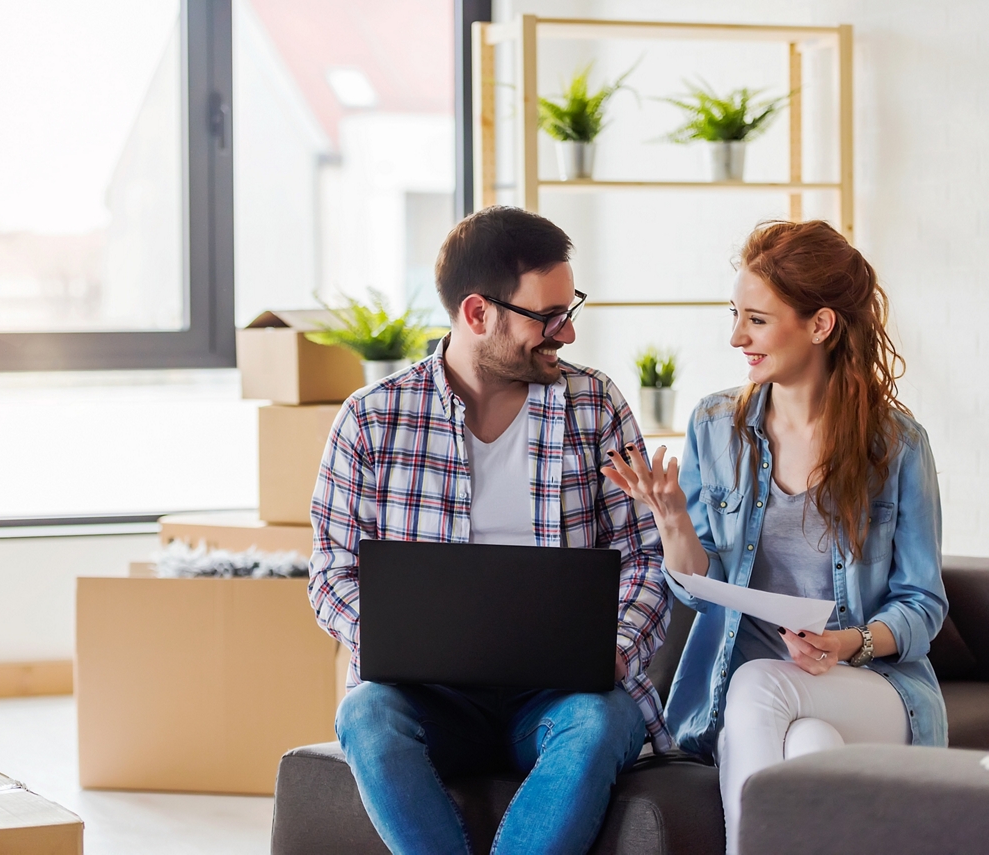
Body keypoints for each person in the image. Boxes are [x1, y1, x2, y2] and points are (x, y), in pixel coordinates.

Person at [307, 205, 671, 855]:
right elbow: (331, 570)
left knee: (601, 718)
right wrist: (393, 638)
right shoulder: (371, 419)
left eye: (570, 309)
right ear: (478, 314)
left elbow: (644, 554)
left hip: (561, 698)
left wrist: (614, 646)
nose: (567, 333)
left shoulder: (597, 405)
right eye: (547, 316)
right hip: (431, 697)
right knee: (365, 714)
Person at [603, 219, 948, 854]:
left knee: (760, 684)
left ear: (820, 325)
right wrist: (673, 519)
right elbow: (702, 594)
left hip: (873, 687)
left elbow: (923, 605)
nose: (736, 337)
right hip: (758, 697)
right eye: (735, 315)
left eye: (756, 320)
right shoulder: (714, 425)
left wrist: (846, 643)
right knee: (808, 747)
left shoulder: (896, 445)